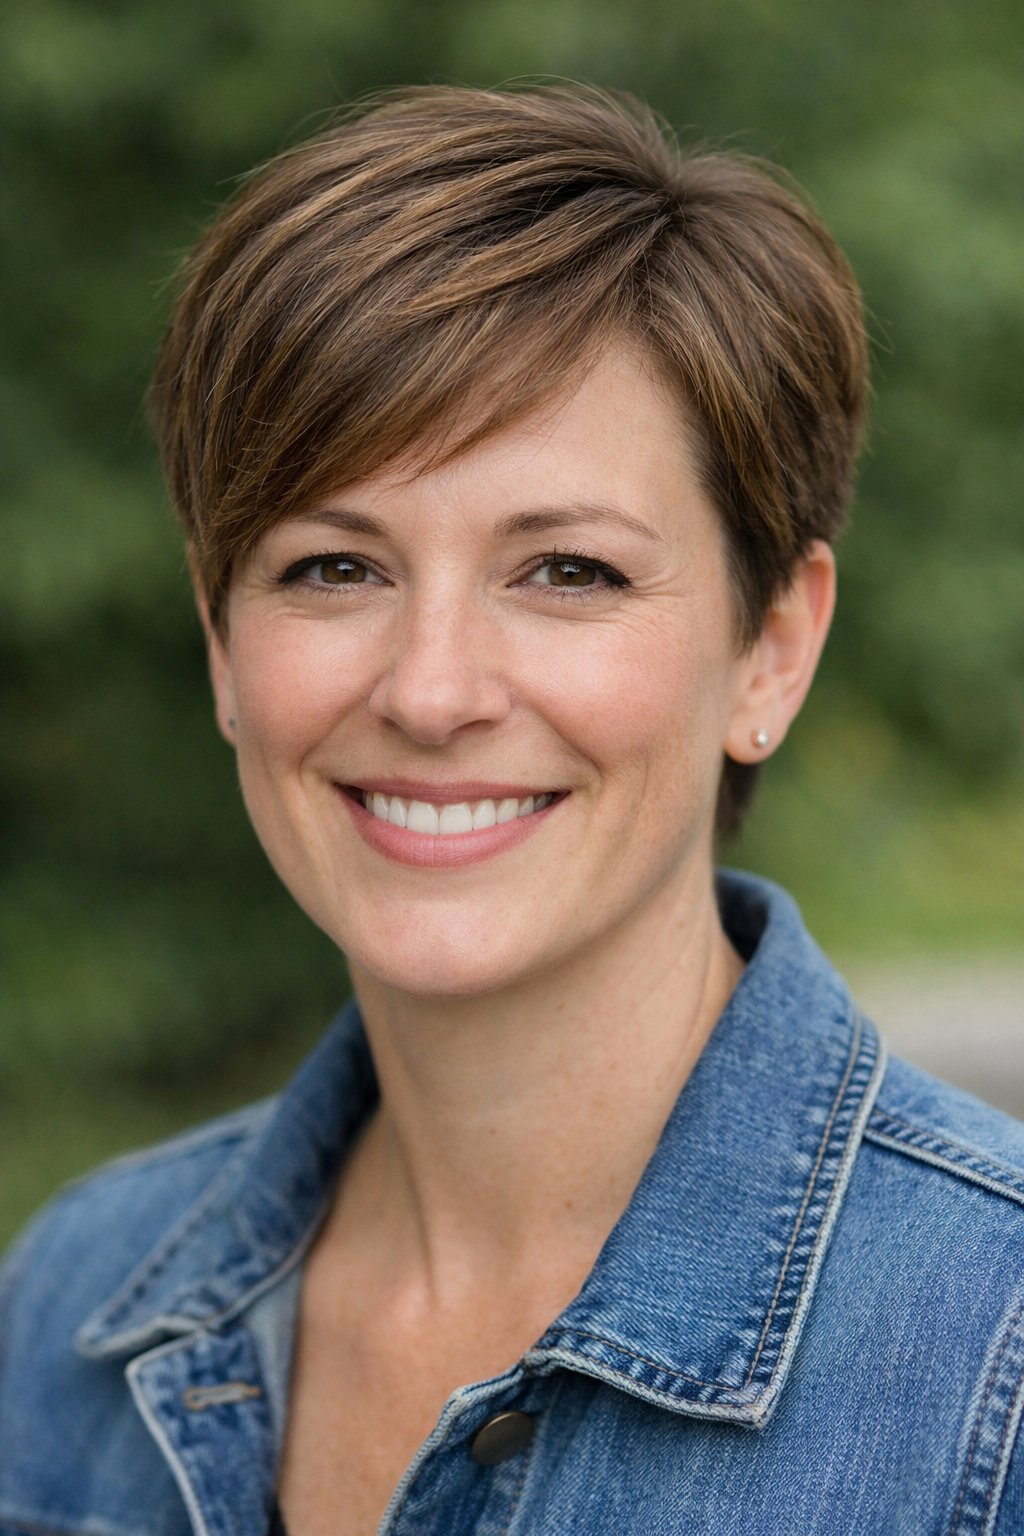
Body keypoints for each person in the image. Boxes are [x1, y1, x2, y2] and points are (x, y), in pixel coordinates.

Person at [1, 82, 1022, 1536]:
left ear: (772, 648)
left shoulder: (1003, 1362)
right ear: (223, 644)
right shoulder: (68, 1313)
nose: (432, 691)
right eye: (334, 568)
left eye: (568, 572)